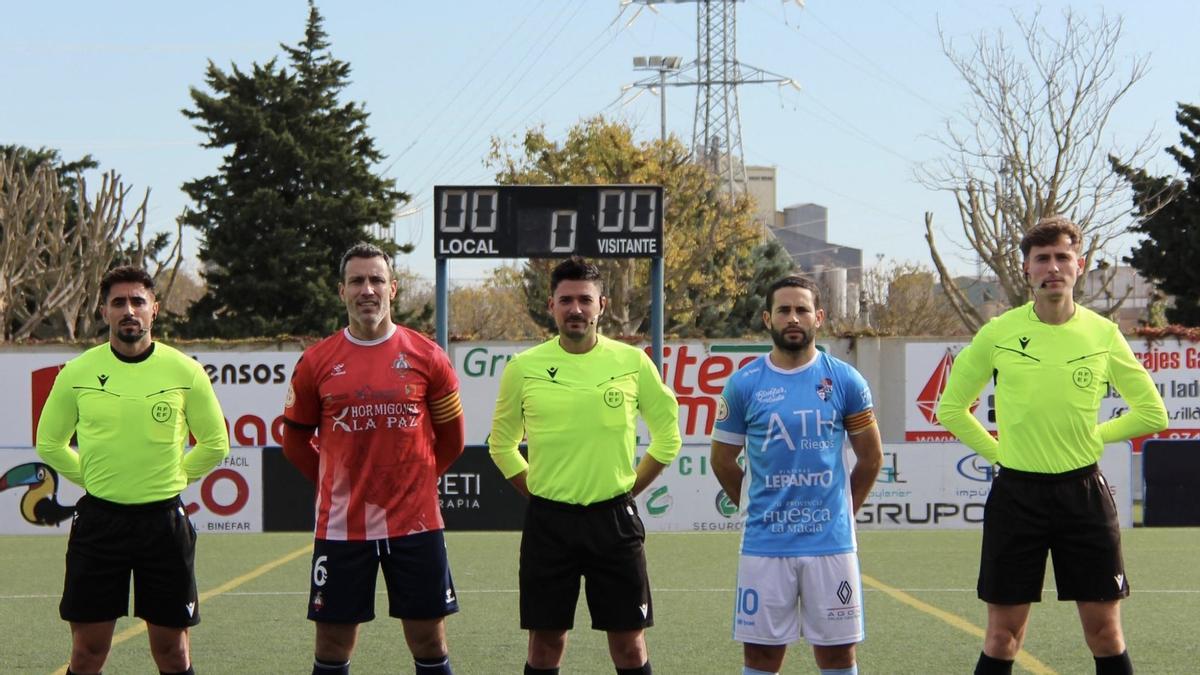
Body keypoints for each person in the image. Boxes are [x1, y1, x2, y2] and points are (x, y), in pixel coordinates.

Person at [937, 215, 1168, 675]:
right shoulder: (998, 332)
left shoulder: (1103, 334)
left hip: (1083, 496)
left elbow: (1152, 413)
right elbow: (950, 408)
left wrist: (1092, 436)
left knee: (1105, 634)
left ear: (1079, 266)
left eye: (1063, 257)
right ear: (1027, 268)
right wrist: (1001, 454)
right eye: (1042, 258)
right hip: (1016, 497)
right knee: (1003, 637)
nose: (1053, 267)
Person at [488, 256, 682, 675]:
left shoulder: (632, 363)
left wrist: (630, 490)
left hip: (614, 524)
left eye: (585, 300)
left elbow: (668, 436)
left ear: (602, 305)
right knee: (545, 642)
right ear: (551, 305)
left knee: (629, 644)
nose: (576, 309)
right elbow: (501, 445)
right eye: (566, 300)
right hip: (548, 525)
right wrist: (537, 491)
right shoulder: (523, 369)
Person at [35, 265, 230, 675]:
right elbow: (49, 443)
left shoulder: (185, 372)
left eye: (138, 301)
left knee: (173, 652)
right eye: (118, 302)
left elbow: (214, 444)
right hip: (98, 525)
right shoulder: (76, 373)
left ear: (154, 309)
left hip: (164, 525)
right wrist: (93, 478)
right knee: (88, 653)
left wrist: (174, 478)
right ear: (103, 311)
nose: (129, 310)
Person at [282, 242, 466, 675]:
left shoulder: (428, 357)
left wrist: (414, 483)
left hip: (416, 524)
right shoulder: (316, 362)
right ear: (342, 291)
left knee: (428, 638)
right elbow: (295, 443)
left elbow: (453, 440)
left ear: (393, 289)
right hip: (343, 527)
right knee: (332, 642)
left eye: (377, 280)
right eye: (357, 281)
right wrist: (339, 485)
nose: (368, 289)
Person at [710, 274, 883, 675]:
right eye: (784, 310)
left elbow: (871, 458)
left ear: (817, 317)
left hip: (831, 545)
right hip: (765, 545)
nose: (793, 317)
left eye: (802, 309)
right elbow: (722, 460)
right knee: (761, 659)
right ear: (767, 318)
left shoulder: (845, 380)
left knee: (838, 657)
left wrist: (842, 510)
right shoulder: (744, 384)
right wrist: (754, 506)